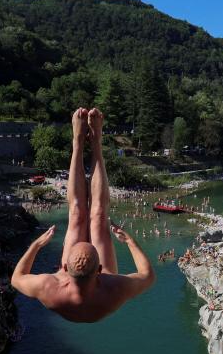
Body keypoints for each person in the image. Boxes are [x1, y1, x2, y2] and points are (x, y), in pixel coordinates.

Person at [11, 108, 155, 323]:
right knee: (97, 216)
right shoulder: (114, 288)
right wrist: (130, 243)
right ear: (99, 270)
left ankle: (77, 142)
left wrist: (36, 246)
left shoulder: (49, 287)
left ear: (64, 267)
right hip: (101, 294)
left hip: (70, 290)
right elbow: (147, 276)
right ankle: (96, 143)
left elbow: (17, 279)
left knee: (77, 213)